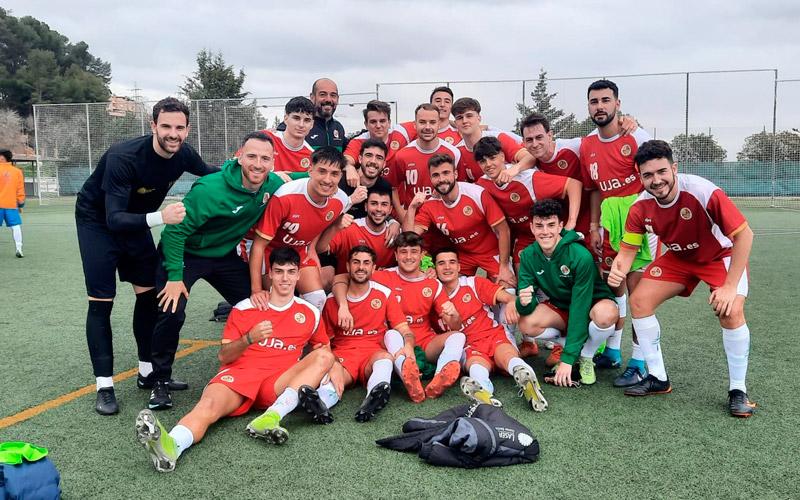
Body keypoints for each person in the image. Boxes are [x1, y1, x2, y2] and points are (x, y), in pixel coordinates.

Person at [74, 97, 217, 415]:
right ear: (153, 126)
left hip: (137, 221)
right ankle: (105, 386)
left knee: (149, 296)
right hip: (98, 222)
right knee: (102, 302)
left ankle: (146, 371)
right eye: (166, 126)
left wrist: (264, 176)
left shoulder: (184, 153)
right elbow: (114, 218)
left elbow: (213, 175)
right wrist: (161, 217)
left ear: (187, 130)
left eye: (179, 128)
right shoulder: (123, 157)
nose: (173, 133)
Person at [135, 247, 335, 472]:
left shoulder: (310, 312)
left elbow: (322, 350)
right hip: (240, 375)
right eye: (279, 272)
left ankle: (270, 417)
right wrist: (249, 338)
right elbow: (224, 355)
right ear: (270, 274)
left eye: (291, 272)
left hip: (278, 381)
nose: (285, 278)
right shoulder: (245, 308)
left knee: (326, 355)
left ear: (299, 275)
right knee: (208, 406)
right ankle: (171, 446)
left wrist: (325, 386)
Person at [147, 132, 302, 411]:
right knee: (171, 309)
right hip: (185, 253)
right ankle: (159, 380)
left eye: (265, 158)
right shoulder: (209, 189)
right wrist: (174, 277)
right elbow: (174, 232)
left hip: (222, 255)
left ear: (273, 162)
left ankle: (257, 364)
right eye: (252, 156)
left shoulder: (273, 183)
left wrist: (348, 171)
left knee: (257, 301)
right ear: (239, 156)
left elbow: (307, 175)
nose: (258, 164)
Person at [608, 140, 756, 417]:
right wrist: (619, 267)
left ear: (674, 168)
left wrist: (729, 286)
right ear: (640, 178)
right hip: (679, 258)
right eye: (648, 175)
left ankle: (738, 390)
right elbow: (627, 252)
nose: (656, 180)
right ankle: (657, 377)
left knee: (731, 310)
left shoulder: (702, 192)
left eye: (661, 171)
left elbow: (744, 236)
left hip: (718, 255)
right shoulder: (640, 207)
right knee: (639, 300)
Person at [580, 79, 654, 386]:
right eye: (594, 101)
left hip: (639, 220)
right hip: (609, 224)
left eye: (605, 100)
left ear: (618, 104)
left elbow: (656, 179)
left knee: (639, 295)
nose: (600, 106)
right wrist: (595, 225)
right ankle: (612, 351)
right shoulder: (586, 145)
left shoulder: (636, 138)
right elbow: (595, 189)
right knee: (615, 287)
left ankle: (641, 360)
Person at [332, 232, 465, 399]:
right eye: (403, 251)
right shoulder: (382, 276)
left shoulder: (433, 283)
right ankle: (409, 377)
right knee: (392, 333)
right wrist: (343, 305)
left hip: (424, 340)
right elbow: (340, 278)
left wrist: (454, 315)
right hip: (393, 341)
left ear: (422, 254)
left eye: (414, 251)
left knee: (458, 336)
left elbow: (455, 325)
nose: (408, 257)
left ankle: (439, 379)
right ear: (395, 255)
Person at [515, 199, 619, 387]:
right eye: (539, 226)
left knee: (606, 315)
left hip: (592, 304)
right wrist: (523, 302)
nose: (545, 231)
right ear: (532, 227)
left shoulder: (580, 255)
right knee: (526, 324)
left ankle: (586, 356)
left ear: (560, 226)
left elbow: (580, 306)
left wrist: (567, 360)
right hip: (563, 305)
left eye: (551, 225)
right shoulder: (529, 255)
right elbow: (526, 302)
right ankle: (576, 347)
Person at [432, 248, 547, 411]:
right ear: (434, 268)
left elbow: (509, 297)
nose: (447, 267)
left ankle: (525, 379)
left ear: (459, 266)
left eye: (452, 262)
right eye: (441, 263)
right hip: (469, 345)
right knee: (476, 367)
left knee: (507, 356)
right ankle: (484, 396)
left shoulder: (473, 283)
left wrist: (511, 303)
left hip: (493, 335)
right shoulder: (432, 295)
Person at [322, 246, 425, 421]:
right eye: (356, 262)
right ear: (348, 266)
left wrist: (408, 345)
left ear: (373, 268)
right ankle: (319, 403)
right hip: (344, 356)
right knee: (332, 381)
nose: (361, 267)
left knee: (385, 359)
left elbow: (404, 330)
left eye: (366, 263)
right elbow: (324, 342)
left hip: (373, 353)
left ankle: (372, 400)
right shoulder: (333, 301)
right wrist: (332, 364)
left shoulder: (384, 294)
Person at [249, 147, 350, 313]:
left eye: (334, 174)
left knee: (317, 298)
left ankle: (307, 337)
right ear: (310, 170)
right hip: (270, 251)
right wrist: (256, 290)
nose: (327, 179)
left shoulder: (341, 200)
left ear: (341, 176)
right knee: (276, 301)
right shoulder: (285, 197)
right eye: (322, 171)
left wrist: (311, 248)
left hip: (299, 251)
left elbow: (319, 224)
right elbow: (259, 245)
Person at [405, 154, 514, 286]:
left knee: (508, 287)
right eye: (436, 175)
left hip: (490, 252)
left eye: (446, 173)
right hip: (462, 255)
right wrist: (411, 208)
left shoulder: (476, 194)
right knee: (449, 290)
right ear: (431, 178)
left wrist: (504, 266)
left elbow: (503, 230)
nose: (441, 179)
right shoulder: (430, 205)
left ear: (455, 174)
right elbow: (409, 239)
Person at [388, 103, 461, 220]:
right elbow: (393, 188)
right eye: (422, 122)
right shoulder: (402, 155)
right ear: (415, 124)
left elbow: (460, 186)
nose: (427, 127)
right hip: (415, 221)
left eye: (432, 122)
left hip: (445, 220)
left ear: (439, 124)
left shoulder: (453, 153)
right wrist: (402, 214)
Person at [317, 186, 397, 279]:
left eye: (384, 204)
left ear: (390, 209)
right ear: (366, 206)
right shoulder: (350, 228)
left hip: (383, 288)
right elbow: (320, 248)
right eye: (374, 203)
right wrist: (335, 226)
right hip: (347, 287)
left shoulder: (395, 233)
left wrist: (396, 223)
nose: (379, 209)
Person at [450, 97, 535, 182]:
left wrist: (513, 170)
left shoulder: (499, 138)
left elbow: (530, 158)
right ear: (456, 123)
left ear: (479, 118)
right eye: (459, 117)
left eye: (469, 116)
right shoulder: (457, 152)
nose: (464, 121)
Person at [343, 100, 412, 177]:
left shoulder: (402, 132)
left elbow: (424, 121)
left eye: (382, 121)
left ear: (389, 123)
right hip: (370, 188)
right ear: (366, 125)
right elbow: (346, 159)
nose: (378, 126)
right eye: (373, 122)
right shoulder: (358, 141)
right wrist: (349, 167)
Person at [276, 78, 346, 151]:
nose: (328, 99)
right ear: (312, 97)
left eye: (333, 95)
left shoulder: (338, 128)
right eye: (322, 94)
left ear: (338, 99)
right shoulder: (289, 127)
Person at [260, 97, 315, 172]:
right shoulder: (264, 138)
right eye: (296, 118)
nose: (301, 125)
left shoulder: (311, 156)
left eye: (307, 120)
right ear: (285, 119)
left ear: (312, 124)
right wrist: (275, 177)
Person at [0, 149, 25, 257]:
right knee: (16, 226)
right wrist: (20, 203)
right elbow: (20, 189)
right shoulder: (17, 172)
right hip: (11, 205)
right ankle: (19, 248)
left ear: (2, 158)